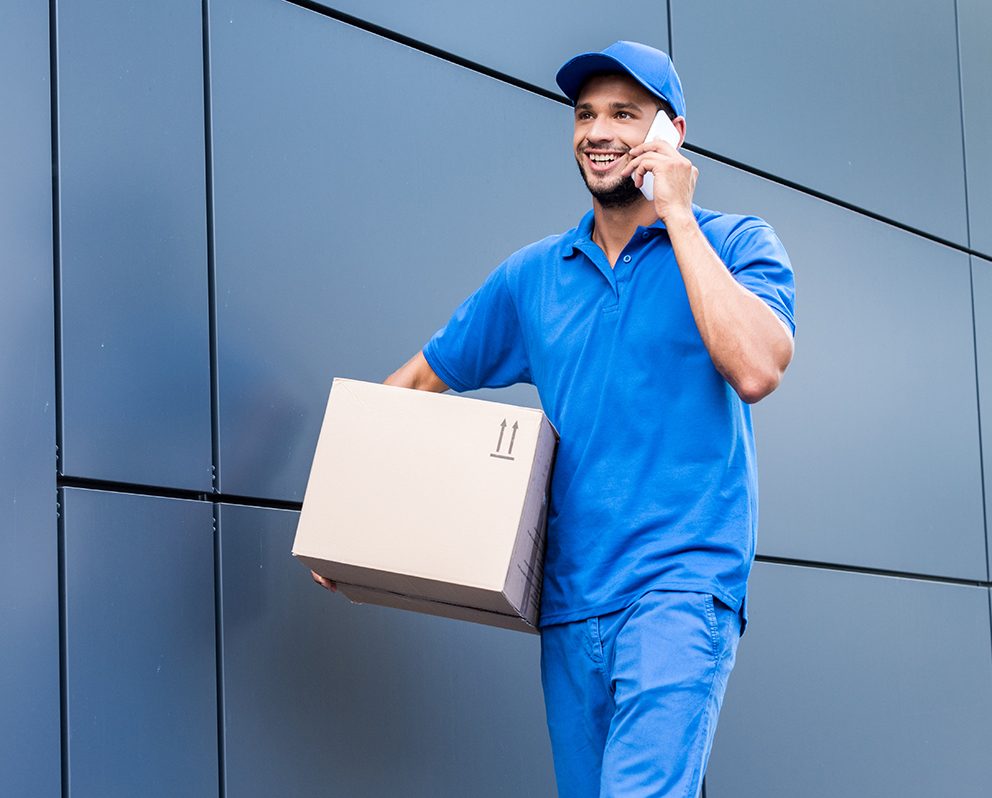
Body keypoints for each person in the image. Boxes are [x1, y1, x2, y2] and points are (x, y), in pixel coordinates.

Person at [313, 40, 795, 798]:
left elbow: (757, 367)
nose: (598, 131)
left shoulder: (735, 244)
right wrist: (347, 518)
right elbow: (417, 379)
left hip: (678, 585)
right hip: (571, 607)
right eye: (585, 114)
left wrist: (677, 214)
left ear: (670, 133)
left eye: (624, 114)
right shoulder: (535, 275)